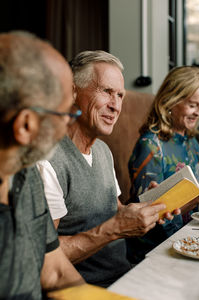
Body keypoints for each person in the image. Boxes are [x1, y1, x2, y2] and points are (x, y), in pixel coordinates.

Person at [37, 50, 177, 288]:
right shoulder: (47, 160)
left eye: (120, 95)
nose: (116, 106)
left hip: (127, 275)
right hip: (88, 288)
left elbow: (114, 212)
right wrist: (116, 228)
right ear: (72, 91)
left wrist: (146, 208)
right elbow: (43, 257)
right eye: (107, 92)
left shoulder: (102, 150)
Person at [0, 31, 85, 300]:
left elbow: (55, 271)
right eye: (66, 114)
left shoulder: (27, 171)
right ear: (26, 125)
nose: (70, 123)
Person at [128, 66, 199, 263]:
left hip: (188, 240)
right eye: (193, 105)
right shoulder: (151, 145)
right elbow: (148, 216)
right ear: (171, 101)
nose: (197, 113)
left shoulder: (192, 143)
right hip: (155, 250)